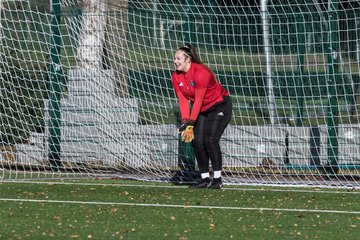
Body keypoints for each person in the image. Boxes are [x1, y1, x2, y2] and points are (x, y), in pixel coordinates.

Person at [171, 44, 232, 189]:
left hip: (219, 105)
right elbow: (183, 100)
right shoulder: (175, 76)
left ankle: (217, 179)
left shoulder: (201, 72)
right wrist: (186, 122)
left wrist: (191, 122)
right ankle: (204, 178)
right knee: (197, 141)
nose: (175, 61)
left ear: (188, 59)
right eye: (174, 58)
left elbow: (198, 100)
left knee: (210, 140)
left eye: (178, 58)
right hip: (203, 109)